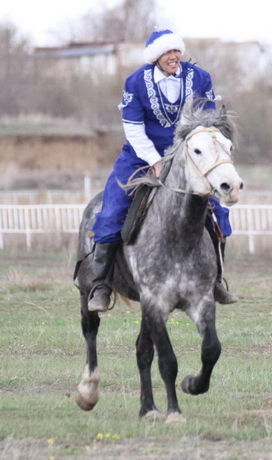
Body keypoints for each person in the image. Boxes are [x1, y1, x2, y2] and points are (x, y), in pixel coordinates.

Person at [88, 28, 237, 311]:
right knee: (112, 209)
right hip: (141, 157)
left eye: (176, 51)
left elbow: (206, 123)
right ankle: (101, 284)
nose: (174, 57)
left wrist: (199, 157)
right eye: (168, 53)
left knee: (217, 210)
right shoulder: (135, 82)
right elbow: (133, 128)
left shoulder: (200, 77)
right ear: (156, 57)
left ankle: (216, 280)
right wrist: (156, 162)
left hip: (187, 158)